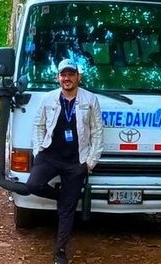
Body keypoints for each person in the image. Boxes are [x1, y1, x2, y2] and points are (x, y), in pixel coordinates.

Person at [26, 59, 103, 264]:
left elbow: (97, 132)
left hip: (76, 161)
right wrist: (37, 150)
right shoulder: (48, 98)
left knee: (67, 210)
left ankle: (60, 251)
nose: (66, 78)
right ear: (58, 78)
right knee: (33, 184)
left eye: (71, 74)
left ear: (78, 76)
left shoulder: (90, 99)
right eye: (63, 75)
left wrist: (90, 163)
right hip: (49, 155)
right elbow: (38, 126)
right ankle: (62, 197)